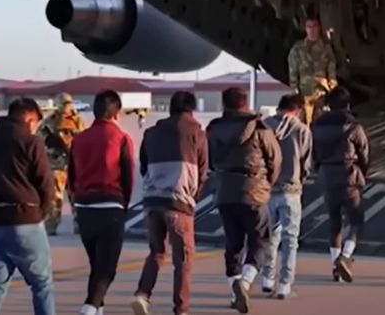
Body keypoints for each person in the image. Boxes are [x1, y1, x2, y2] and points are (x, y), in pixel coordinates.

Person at [130, 91, 208, 315]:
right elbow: (203, 172)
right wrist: (193, 198)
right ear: (191, 110)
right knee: (183, 259)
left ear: (171, 109)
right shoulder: (197, 134)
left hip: (152, 201)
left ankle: (142, 294)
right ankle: (181, 309)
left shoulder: (151, 133)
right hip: (179, 203)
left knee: (156, 251)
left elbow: (144, 168)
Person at [0, 98, 56, 315]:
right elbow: (45, 183)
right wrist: (40, 212)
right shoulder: (31, 142)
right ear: (29, 118)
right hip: (26, 219)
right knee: (42, 284)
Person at [207, 87, 281, 314]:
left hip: (225, 192)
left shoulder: (213, 129)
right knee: (260, 240)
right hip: (254, 191)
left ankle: (234, 291)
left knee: (233, 243)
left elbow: (208, 160)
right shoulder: (260, 128)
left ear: (224, 104)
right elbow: (275, 160)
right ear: (245, 103)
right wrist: (267, 184)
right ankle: (245, 283)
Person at [68, 90, 136, 315]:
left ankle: (98, 309)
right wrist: (124, 204)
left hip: (84, 208)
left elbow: (71, 177)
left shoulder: (78, 139)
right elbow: (128, 177)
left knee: (96, 266)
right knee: (107, 270)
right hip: (110, 206)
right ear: (117, 113)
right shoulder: (121, 138)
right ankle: (89, 308)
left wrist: (76, 202)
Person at [311, 87, 369, 283]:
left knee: (334, 223)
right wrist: (362, 173)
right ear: (348, 104)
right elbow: (364, 153)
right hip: (349, 176)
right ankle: (345, 256)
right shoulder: (353, 126)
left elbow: (314, 154)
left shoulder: (316, 125)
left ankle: (335, 266)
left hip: (327, 176)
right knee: (356, 221)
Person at [259, 94, 312, 298]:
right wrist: (300, 178)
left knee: (270, 236)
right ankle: (284, 284)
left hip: (267, 190)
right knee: (290, 238)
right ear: (297, 110)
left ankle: (267, 278)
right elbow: (306, 163)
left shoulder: (264, 126)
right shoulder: (302, 130)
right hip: (291, 190)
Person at [38, 92, 86, 235]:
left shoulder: (78, 121)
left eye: (68, 103)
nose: (66, 107)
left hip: (74, 163)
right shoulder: (50, 121)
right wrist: (50, 141)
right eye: (63, 104)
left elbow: (85, 138)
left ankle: (80, 224)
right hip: (56, 164)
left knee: (76, 196)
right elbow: (39, 139)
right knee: (55, 198)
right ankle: (51, 225)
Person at [288, 17, 338, 124]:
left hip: (321, 93)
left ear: (319, 28)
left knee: (321, 123)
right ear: (305, 29)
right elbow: (293, 71)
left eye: (314, 26)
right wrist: (294, 90)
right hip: (304, 93)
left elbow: (331, 70)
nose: (312, 30)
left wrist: (332, 89)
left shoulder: (326, 48)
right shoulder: (297, 49)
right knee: (303, 123)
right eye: (309, 27)